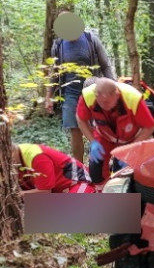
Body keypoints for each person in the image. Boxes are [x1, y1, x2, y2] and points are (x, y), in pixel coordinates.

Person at [45, 12, 116, 164]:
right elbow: (55, 72)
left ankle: (100, 164)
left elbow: (105, 65)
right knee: (75, 130)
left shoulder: (91, 39)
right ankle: (79, 168)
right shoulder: (58, 45)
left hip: (93, 91)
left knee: (97, 129)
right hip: (70, 94)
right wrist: (49, 97)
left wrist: (114, 88)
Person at [75, 78, 154, 186]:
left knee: (124, 174)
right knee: (95, 172)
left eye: (108, 102)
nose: (105, 105)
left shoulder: (132, 98)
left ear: (116, 94)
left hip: (131, 138)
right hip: (104, 136)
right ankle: (103, 194)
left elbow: (150, 126)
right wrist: (93, 141)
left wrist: (132, 147)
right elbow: (81, 119)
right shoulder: (88, 96)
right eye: (101, 102)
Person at [12, 143, 95, 193]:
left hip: (80, 183)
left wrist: (19, 195)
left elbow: (45, 192)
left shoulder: (37, 157)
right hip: (58, 191)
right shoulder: (17, 160)